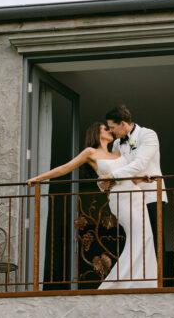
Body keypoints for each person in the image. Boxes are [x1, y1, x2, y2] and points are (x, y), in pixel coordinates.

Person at [27, 120, 157, 289]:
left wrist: (143, 178)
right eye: (106, 128)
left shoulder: (118, 152)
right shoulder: (90, 152)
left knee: (145, 237)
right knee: (139, 237)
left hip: (136, 195)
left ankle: (144, 282)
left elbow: (128, 176)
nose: (110, 131)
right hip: (120, 198)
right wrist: (38, 179)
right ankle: (115, 286)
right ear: (97, 133)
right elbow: (65, 168)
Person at [102, 105, 167, 268]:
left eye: (112, 127)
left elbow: (140, 164)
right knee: (134, 242)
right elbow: (114, 166)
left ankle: (162, 285)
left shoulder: (148, 135)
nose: (111, 131)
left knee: (155, 241)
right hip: (129, 199)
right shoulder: (117, 144)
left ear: (123, 124)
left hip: (150, 195)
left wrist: (112, 177)